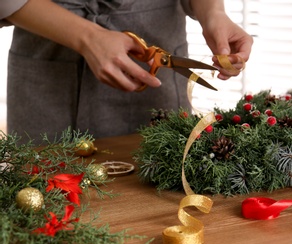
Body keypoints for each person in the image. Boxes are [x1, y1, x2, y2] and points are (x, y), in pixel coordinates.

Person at [1, 0, 253, 142]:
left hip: (156, 60)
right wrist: (88, 38)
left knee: (157, 187)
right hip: (47, 59)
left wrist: (213, 13)